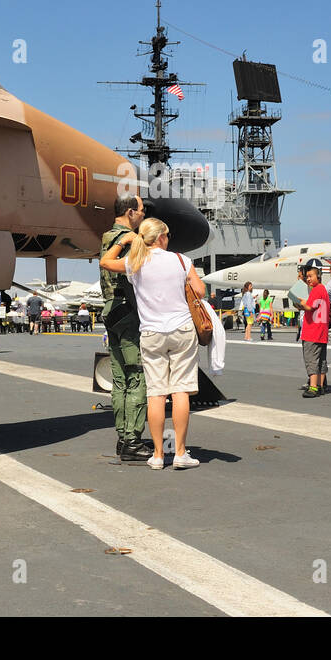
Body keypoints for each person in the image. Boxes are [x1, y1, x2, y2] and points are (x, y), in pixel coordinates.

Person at [99, 217, 207, 469]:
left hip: (151, 333)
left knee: (156, 394)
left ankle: (158, 455)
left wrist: (124, 240)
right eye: (167, 235)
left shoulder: (135, 262)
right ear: (161, 237)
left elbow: (105, 262)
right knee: (180, 391)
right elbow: (200, 291)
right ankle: (180, 453)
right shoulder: (181, 260)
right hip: (181, 330)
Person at [100, 195, 154, 461]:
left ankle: (123, 438)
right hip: (129, 313)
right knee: (137, 377)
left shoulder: (107, 237)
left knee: (119, 379)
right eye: (142, 211)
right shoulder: (131, 240)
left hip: (111, 311)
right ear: (131, 212)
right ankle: (133, 440)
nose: (144, 215)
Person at [295, 261, 331, 398]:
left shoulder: (316, 290)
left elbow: (309, 307)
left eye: (311, 276)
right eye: (307, 277)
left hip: (312, 331)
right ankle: (321, 386)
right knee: (321, 360)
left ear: (319, 276)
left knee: (311, 360)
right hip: (321, 331)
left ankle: (313, 387)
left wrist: (300, 302)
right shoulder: (323, 289)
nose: (308, 279)